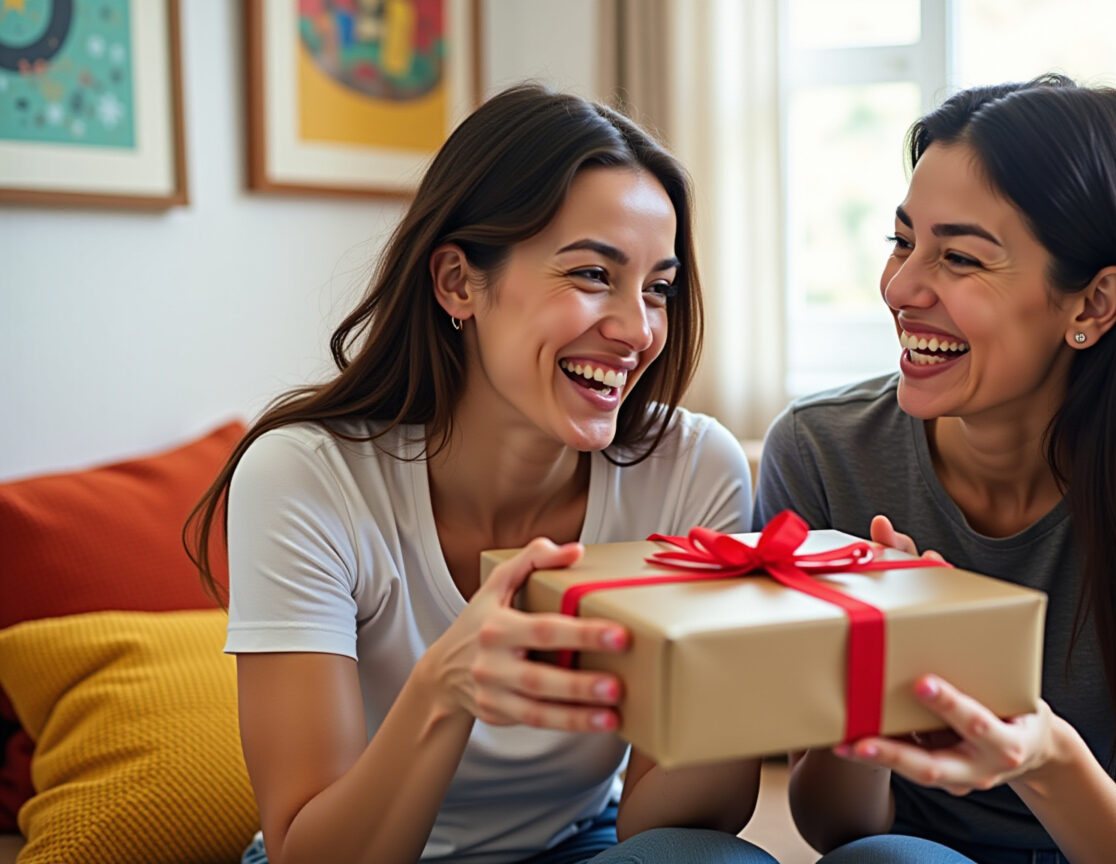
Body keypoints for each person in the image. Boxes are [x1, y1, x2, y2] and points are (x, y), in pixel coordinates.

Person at [188, 84, 774, 864]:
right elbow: (309, 851)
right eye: (593, 276)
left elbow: (667, 830)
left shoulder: (690, 467)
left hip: (579, 845)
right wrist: (445, 687)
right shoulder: (306, 477)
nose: (638, 330)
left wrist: (738, 684)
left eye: (657, 289)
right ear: (458, 283)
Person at [754, 75, 1116, 864]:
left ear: (1092, 305)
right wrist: (873, 694)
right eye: (901, 241)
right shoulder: (822, 457)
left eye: (958, 257)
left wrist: (1043, 756)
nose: (901, 287)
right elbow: (838, 830)